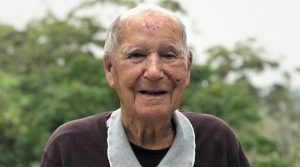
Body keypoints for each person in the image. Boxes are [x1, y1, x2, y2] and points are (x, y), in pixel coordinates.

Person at [41, 4, 250, 167]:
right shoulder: (70, 147)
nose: (154, 71)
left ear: (188, 68)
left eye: (169, 55)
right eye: (136, 55)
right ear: (110, 68)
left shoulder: (216, 142)